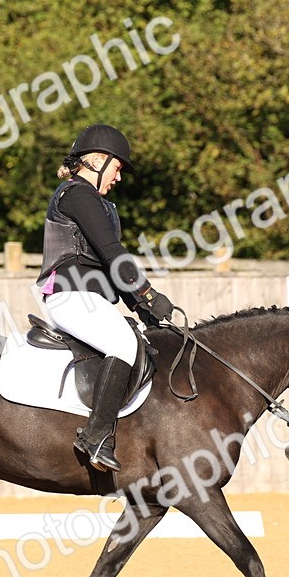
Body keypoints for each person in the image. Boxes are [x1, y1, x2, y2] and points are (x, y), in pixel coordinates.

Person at [36, 124, 174, 472]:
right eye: (117, 168)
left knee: (138, 341)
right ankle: (95, 436)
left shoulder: (100, 204)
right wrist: (147, 292)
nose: (119, 177)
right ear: (97, 161)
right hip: (70, 295)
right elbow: (113, 253)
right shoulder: (77, 195)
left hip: (90, 298)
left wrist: (143, 309)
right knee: (124, 345)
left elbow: (110, 264)